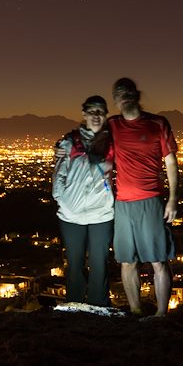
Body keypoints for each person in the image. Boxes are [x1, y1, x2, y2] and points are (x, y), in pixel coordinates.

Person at [106, 77, 178, 318]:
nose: (124, 97)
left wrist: (173, 199)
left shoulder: (157, 123)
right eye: (119, 93)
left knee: (158, 259)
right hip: (122, 203)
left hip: (151, 200)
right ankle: (135, 310)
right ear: (115, 100)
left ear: (137, 95)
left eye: (127, 92)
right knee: (127, 260)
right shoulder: (112, 125)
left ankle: (161, 314)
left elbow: (170, 161)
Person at [51, 95, 114, 306]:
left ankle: (99, 307)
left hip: (101, 212)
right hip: (71, 214)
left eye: (100, 112)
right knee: (75, 263)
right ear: (84, 114)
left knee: (99, 264)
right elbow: (59, 173)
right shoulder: (70, 142)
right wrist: (62, 199)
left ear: (106, 115)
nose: (96, 115)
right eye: (92, 111)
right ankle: (75, 305)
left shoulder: (112, 143)